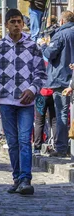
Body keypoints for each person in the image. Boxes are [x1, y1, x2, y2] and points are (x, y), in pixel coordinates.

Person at [0, 8, 47, 195]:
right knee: (12, 141)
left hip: (26, 101)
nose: (16, 25)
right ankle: (17, 177)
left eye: (19, 21)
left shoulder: (33, 46)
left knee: (24, 139)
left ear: (23, 24)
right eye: (13, 22)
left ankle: (26, 178)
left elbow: (41, 74)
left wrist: (33, 89)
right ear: (7, 25)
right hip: (5, 99)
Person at [40, 10, 74, 158]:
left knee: (62, 113)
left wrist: (43, 46)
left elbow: (49, 54)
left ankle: (61, 148)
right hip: (70, 76)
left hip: (61, 78)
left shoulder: (61, 34)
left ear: (61, 21)